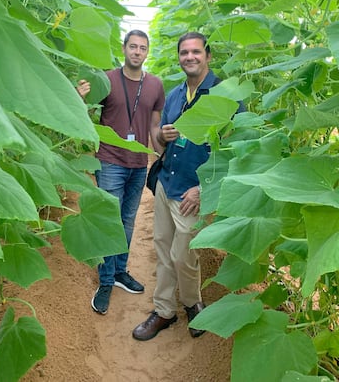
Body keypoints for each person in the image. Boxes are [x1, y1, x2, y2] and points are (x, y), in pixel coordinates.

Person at [132, 31, 243, 341]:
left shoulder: (226, 95)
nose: (190, 57)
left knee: (184, 254)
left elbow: (238, 150)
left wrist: (205, 190)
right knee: (163, 249)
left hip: (194, 193)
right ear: (179, 57)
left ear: (208, 55)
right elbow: (160, 145)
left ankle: (193, 303)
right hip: (168, 182)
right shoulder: (177, 93)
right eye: (184, 53)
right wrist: (162, 137)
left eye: (196, 52)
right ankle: (164, 310)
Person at [78, 29, 165, 315]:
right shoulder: (107, 79)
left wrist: (161, 157)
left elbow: (153, 127)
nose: (137, 52)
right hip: (110, 161)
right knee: (109, 220)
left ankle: (118, 271)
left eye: (142, 48)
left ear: (147, 52)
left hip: (139, 163)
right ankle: (105, 281)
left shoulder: (155, 85)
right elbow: (86, 114)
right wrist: (79, 98)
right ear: (124, 49)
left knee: (127, 220)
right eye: (133, 47)